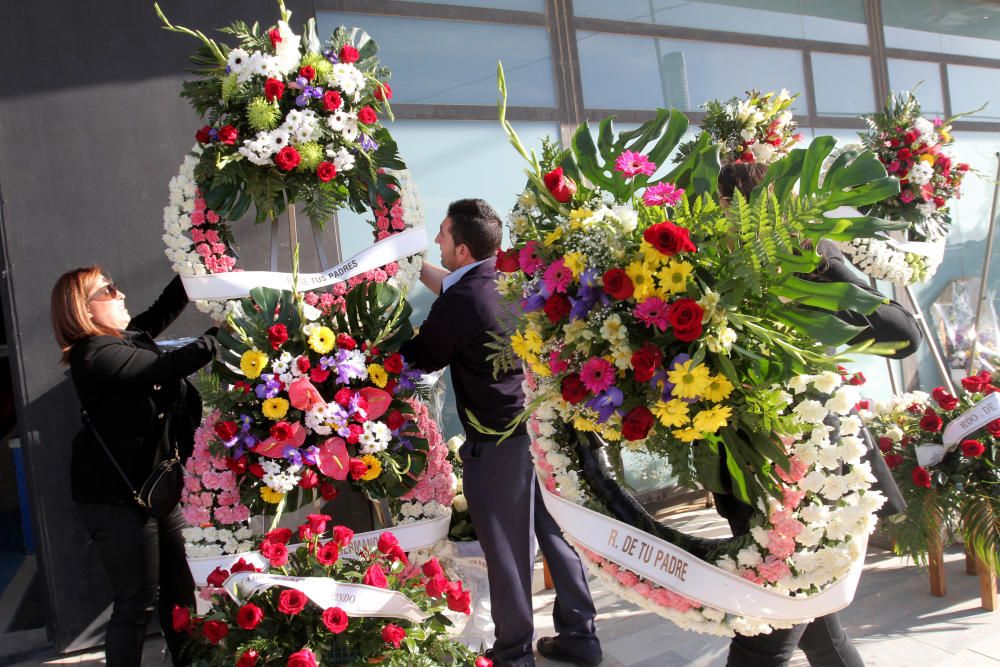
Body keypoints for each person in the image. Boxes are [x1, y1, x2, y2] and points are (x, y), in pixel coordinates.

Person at [715, 162, 921, 667]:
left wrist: (826, 278)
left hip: (812, 467)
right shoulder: (709, 269)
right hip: (751, 464)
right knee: (816, 630)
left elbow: (904, 333)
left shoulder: (812, 255)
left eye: (727, 208)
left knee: (770, 626)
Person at [400, 199, 602, 667]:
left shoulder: (460, 302)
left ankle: (513, 654)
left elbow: (422, 356)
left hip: (497, 443)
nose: (437, 241)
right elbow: (458, 290)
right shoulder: (511, 280)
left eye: (443, 236)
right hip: (542, 433)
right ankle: (580, 636)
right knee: (556, 535)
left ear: (464, 248)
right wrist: (413, 267)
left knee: (506, 550)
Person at [51, 268, 217, 667]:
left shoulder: (126, 339)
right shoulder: (93, 353)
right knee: (136, 603)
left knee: (180, 591)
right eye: (108, 290)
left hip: (155, 485)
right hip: (114, 498)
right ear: (84, 309)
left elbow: (164, 308)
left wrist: (194, 263)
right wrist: (225, 332)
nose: (120, 292)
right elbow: (167, 367)